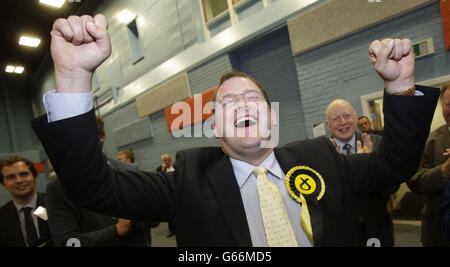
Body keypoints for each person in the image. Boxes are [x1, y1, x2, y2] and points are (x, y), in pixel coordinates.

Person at [31, 14, 439, 246]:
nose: (240, 104)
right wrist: (71, 77)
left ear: (273, 118)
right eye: (227, 103)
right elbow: (92, 187)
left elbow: (394, 166)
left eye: (251, 99)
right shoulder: (187, 180)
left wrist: (400, 86)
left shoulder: (322, 157)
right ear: (214, 127)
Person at [45, 115, 158, 247]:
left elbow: (154, 221)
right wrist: (116, 231)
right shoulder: (58, 189)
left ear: (101, 136)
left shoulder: (130, 171)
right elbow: (68, 243)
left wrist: (140, 213)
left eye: (84, 136)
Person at [326, 99, 396, 247]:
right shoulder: (323, 154)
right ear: (328, 125)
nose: (343, 122)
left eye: (347, 115)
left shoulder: (378, 143)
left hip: (377, 225)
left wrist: (367, 169)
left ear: (355, 118)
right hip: (342, 233)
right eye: (335, 119)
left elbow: (392, 184)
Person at [407, 84, 450, 246]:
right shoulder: (431, 140)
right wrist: (443, 172)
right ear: (442, 107)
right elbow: (414, 180)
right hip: (439, 231)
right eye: (449, 104)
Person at [0, 156, 53, 247]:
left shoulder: (55, 205)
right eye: (10, 177)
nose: (19, 180)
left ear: (35, 177)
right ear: (3, 184)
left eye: (24, 174)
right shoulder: (1, 217)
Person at [156, 154, 175, 238]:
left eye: (167, 160)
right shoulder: (160, 169)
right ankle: (171, 230)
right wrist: (163, 170)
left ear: (171, 160)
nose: (166, 162)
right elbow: (159, 180)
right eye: (164, 160)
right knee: (170, 213)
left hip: (176, 192)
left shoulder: (176, 167)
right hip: (167, 193)